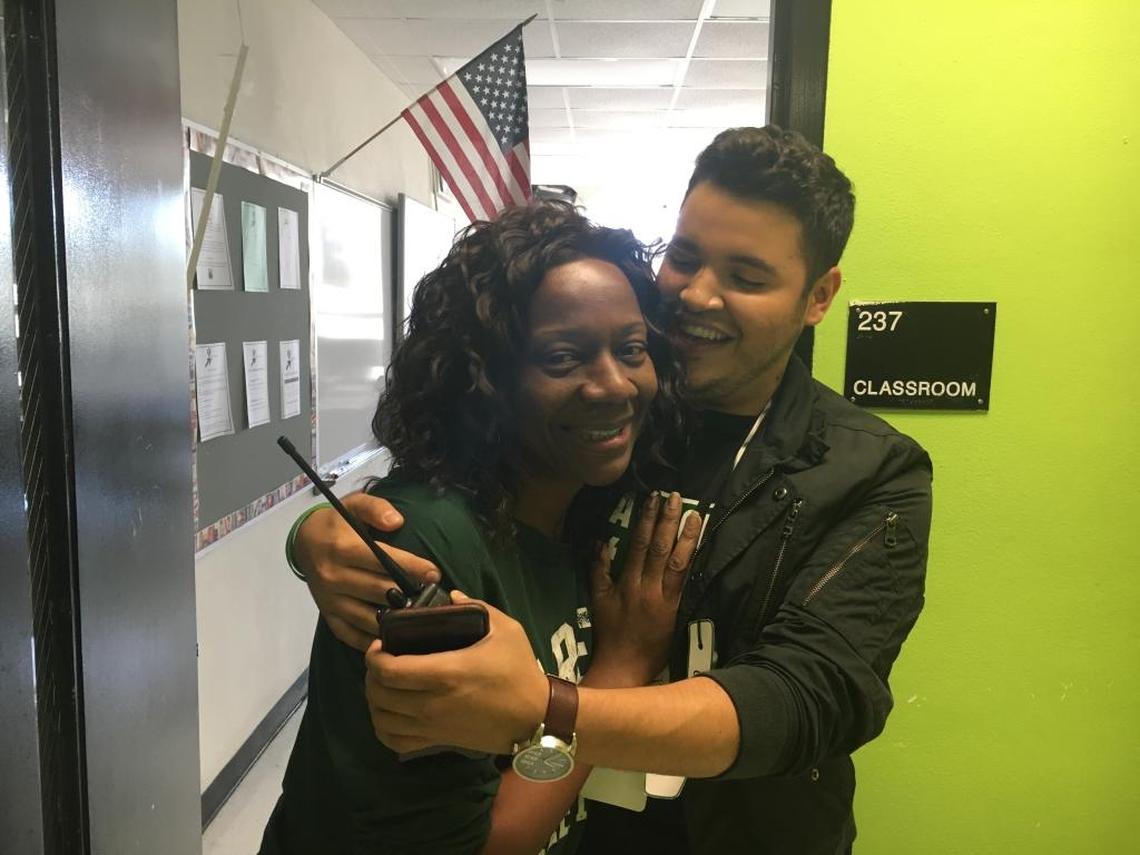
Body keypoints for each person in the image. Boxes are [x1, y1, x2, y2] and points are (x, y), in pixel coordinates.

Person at [291, 126, 934, 854]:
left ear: (819, 296)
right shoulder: (620, 423)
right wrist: (315, 535)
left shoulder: (868, 471)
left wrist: (550, 705)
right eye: (684, 258)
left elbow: (807, 696)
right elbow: (462, 488)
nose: (698, 294)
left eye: (747, 277)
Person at [260, 201, 703, 855]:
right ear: (487, 379)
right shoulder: (425, 549)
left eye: (631, 349)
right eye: (564, 358)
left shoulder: (586, 509)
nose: (615, 385)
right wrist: (620, 666)